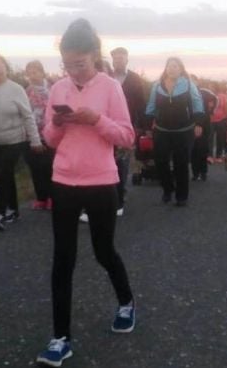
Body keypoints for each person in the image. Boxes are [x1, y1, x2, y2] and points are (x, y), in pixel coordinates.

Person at [36, 19, 136, 367]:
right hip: (63, 181)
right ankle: (60, 338)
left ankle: (126, 302)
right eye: (68, 64)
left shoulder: (110, 87)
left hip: (101, 182)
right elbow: (49, 138)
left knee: (103, 250)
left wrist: (97, 120)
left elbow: (126, 137)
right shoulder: (59, 89)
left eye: (80, 64)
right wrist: (57, 124)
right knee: (62, 260)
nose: (74, 71)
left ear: (94, 56)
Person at [0, 56, 43, 231]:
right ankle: (14, 211)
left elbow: (28, 116)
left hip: (14, 140)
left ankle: (0, 213)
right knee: (6, 175)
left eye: (0, 67)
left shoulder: (16, 89)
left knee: (4, 173)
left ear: (6, 69)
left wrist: (35, 140)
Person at [145, 57, 205, 206]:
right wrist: (147, 127)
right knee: (161, 162)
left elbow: (198, 103)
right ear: (165, 69)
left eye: (175, 66)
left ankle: (181, 196)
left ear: (181, 69)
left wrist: (199, 123)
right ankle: (167, 188)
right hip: (161, 130)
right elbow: (151, 106)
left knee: (181, 164)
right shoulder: (157, 86)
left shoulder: (188, 84)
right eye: (169, 66)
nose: (172, 69)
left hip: (183, 131)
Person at [110, 47, 146, 216]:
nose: (118, 61)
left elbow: (141, 104)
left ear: (127, 59)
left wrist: (141, 127)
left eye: (121, 58)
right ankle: (107, 194)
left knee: (122, 162)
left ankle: (120, 197)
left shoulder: (135, 79)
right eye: (115, 58)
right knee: (107, 161)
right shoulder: (105, 77)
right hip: (107, 125)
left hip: (127, 125)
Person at [24, 60, 55, 211]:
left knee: (50, 166)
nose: (32, 75)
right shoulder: (26, 91)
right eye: (29, 73)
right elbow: (24, 112)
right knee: (36, 167)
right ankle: (41, 197)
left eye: (35, 72)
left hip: (51, 132)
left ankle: (52, 197)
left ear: (42, 72)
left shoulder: (52, 88)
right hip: (32, 134)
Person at [190, 76, 218, 181]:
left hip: (204, 124)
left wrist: (212, 111)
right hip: (191, 125)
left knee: (202, 149)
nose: (191, 82)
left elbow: (216, 99)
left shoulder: (204, 92)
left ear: (197, 81)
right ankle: (195, 173)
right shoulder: (185, 93)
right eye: (189, 80)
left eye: (193, 80)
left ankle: (203, 172)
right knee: (193, 150)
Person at [210, 82, 227, 163]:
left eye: (211, 87)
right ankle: (209, 156)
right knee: (210, 138)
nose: (210, 88)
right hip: (210, 120)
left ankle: (218, 156)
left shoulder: (222, 96)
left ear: (216, 87)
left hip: (221, 119)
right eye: (209, 87)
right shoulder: (209, 95)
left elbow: (226, 107)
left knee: (220, 138)